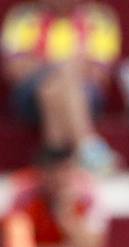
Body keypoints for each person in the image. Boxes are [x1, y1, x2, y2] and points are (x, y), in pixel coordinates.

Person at [1, 0, 119, 172]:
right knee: (57, 80)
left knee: (51, 91)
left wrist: (46, 66)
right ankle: (87, 144)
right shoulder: (22, 17)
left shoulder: (100, 18)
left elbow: (100, 76)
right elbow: (14, 70)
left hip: (84, 95)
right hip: (29, 95)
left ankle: (55, 164)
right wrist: (62, 67)